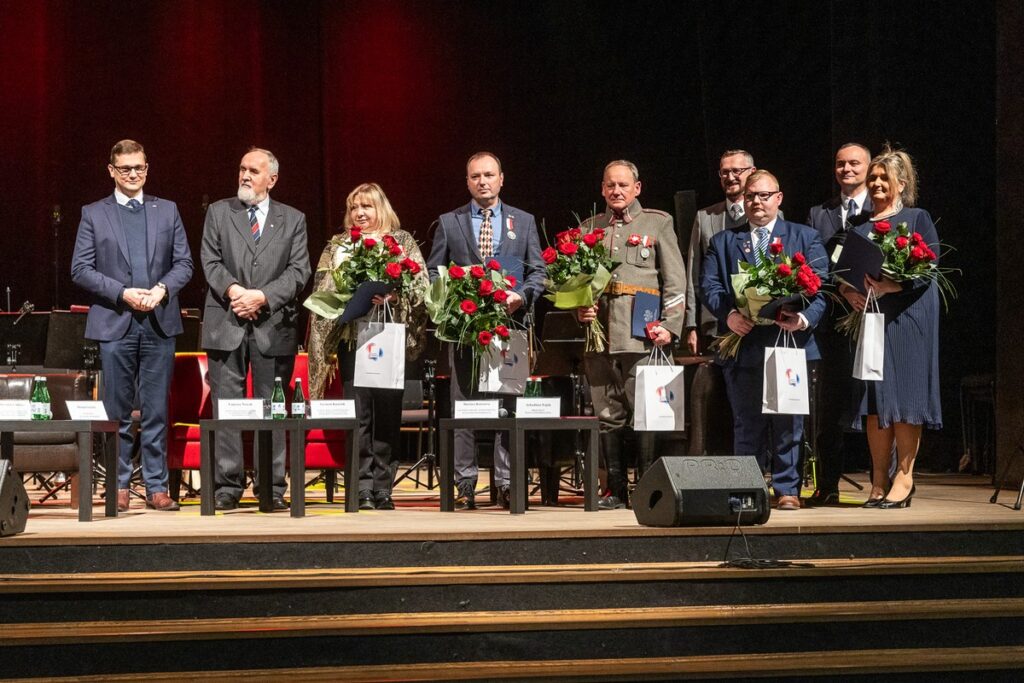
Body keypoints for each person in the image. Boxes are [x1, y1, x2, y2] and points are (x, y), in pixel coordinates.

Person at [71, 139, 193, 512]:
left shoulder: (167, 210)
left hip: (158, 322)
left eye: (139, 167)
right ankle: (119, 485)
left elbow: (184, 264)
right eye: (125, 169)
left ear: (147, 167)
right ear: (111, 171)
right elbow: (80, 269)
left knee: (156, 409)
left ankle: (157, 486)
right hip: (115, 322)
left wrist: (161, 290)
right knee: (117, 411)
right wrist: (123, 293)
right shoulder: (94, 213)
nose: (133, 174)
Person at [701, 170, 828, 510]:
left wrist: (802, 319)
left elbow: (822, 288)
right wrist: (728, 315)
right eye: (750, 196)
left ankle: (787, 489)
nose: (756, 202)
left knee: (789, 422)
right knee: (747, 422)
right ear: (743, 200)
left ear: (779, 198)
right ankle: (748, 489)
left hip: (789, 344)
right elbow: (710, 287)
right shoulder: (724, 242)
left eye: (763, 195)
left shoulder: (805, 237)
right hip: (744, 345)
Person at [426, 151, 545, 509]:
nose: (483, 181)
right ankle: (465, 483)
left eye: (489, 175)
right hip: (466, 330)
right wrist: (449, 301)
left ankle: (506, 482)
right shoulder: (450, 222)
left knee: (508, 406)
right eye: (475, 176)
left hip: (510, 329)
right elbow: (434, 272)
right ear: (467, 182)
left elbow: (538, 271)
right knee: (464, 407)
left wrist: (520, 297)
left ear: (501, 179)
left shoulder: (523, 222)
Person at [201, 147, 311, 511]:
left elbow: (299, 271)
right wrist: (236, 293)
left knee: (273, 408)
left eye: (254, 170)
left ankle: (272, 487)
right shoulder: (219, 212)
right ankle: (227, 487)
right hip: (227, 320)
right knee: (227, 406)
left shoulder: (293, 219)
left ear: (272, 179)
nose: (245, 176)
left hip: (273, 324)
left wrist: (262, 296)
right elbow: (210, 260)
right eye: (242, 168)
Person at [308, 183, 428, 510]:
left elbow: (421, 286)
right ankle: (360, 487)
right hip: (352, 340)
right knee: (358, 416)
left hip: (388, 339)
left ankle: (383, 487)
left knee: (387, 416)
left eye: (367, 207)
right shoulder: (338, 245)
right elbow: (323, 288)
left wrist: (394, 294)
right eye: (354, 207)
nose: (360, 213)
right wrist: (347, 295)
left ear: (381, 209)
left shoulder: (401, 242)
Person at [576, 160, 687, 510]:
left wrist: (670, 325)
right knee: (608, 414)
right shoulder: (589, 228)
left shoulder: (658, 222)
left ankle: (647, 489)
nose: (616, 191)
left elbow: (675, 280)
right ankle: (616, 490)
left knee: (646, 413)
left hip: (642, 335)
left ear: (637, 188)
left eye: (623, 185)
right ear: (602, 189)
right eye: (610, 185)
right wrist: (579, 308)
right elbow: (577, 282)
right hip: (600, 337)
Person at [840, 146, 941, 508]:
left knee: (906, 397)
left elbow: (929, 266)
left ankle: (905, 475)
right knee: (875, 401)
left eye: (884, 178)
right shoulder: (860, 227)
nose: (878, 183)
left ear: (902, 182)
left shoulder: (916, 218)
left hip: (909, 316)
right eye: (874, 178)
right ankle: (878, 479)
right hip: (872, 318)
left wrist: (891, 285)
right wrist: (847, 291)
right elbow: (844, 273)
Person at [805, 143, 873, 506]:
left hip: (876, 317)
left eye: (854, 163)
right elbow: (815, 264)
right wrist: (844, 291)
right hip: (832, 321)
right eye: (840, 163)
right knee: (828, 405)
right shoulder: (819, 213)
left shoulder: (882, 208)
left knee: (877, 401)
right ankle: (827, 484)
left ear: (869, 167)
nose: (846, 169)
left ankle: (883, 484)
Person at [685, 150, 758, 355]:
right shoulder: (704, 217)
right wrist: (691, 325)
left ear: (752, 172)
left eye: (737, 171)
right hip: (714, 324)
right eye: (724, 172)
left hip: (756, 322)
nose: (730, 177)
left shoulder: (771, 215)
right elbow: (693, 275)